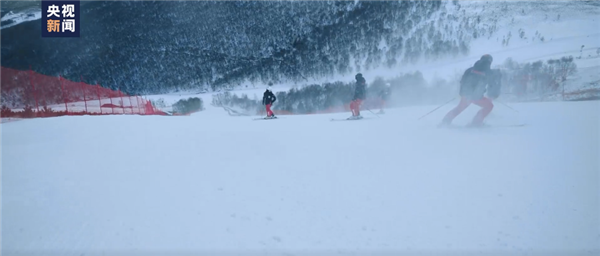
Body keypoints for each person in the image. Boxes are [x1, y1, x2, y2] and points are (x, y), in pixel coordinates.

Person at [440, 54, 499, 127]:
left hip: (466, 95)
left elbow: (462, 81)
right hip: (477, 97)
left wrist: (462, 93)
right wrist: (494, 94)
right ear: (490, 62)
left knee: (459, 108)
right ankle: (476, 123)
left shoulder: (470, 70)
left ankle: (445, 122)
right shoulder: (488, 72)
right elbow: (492, 85)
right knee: (489, 106)